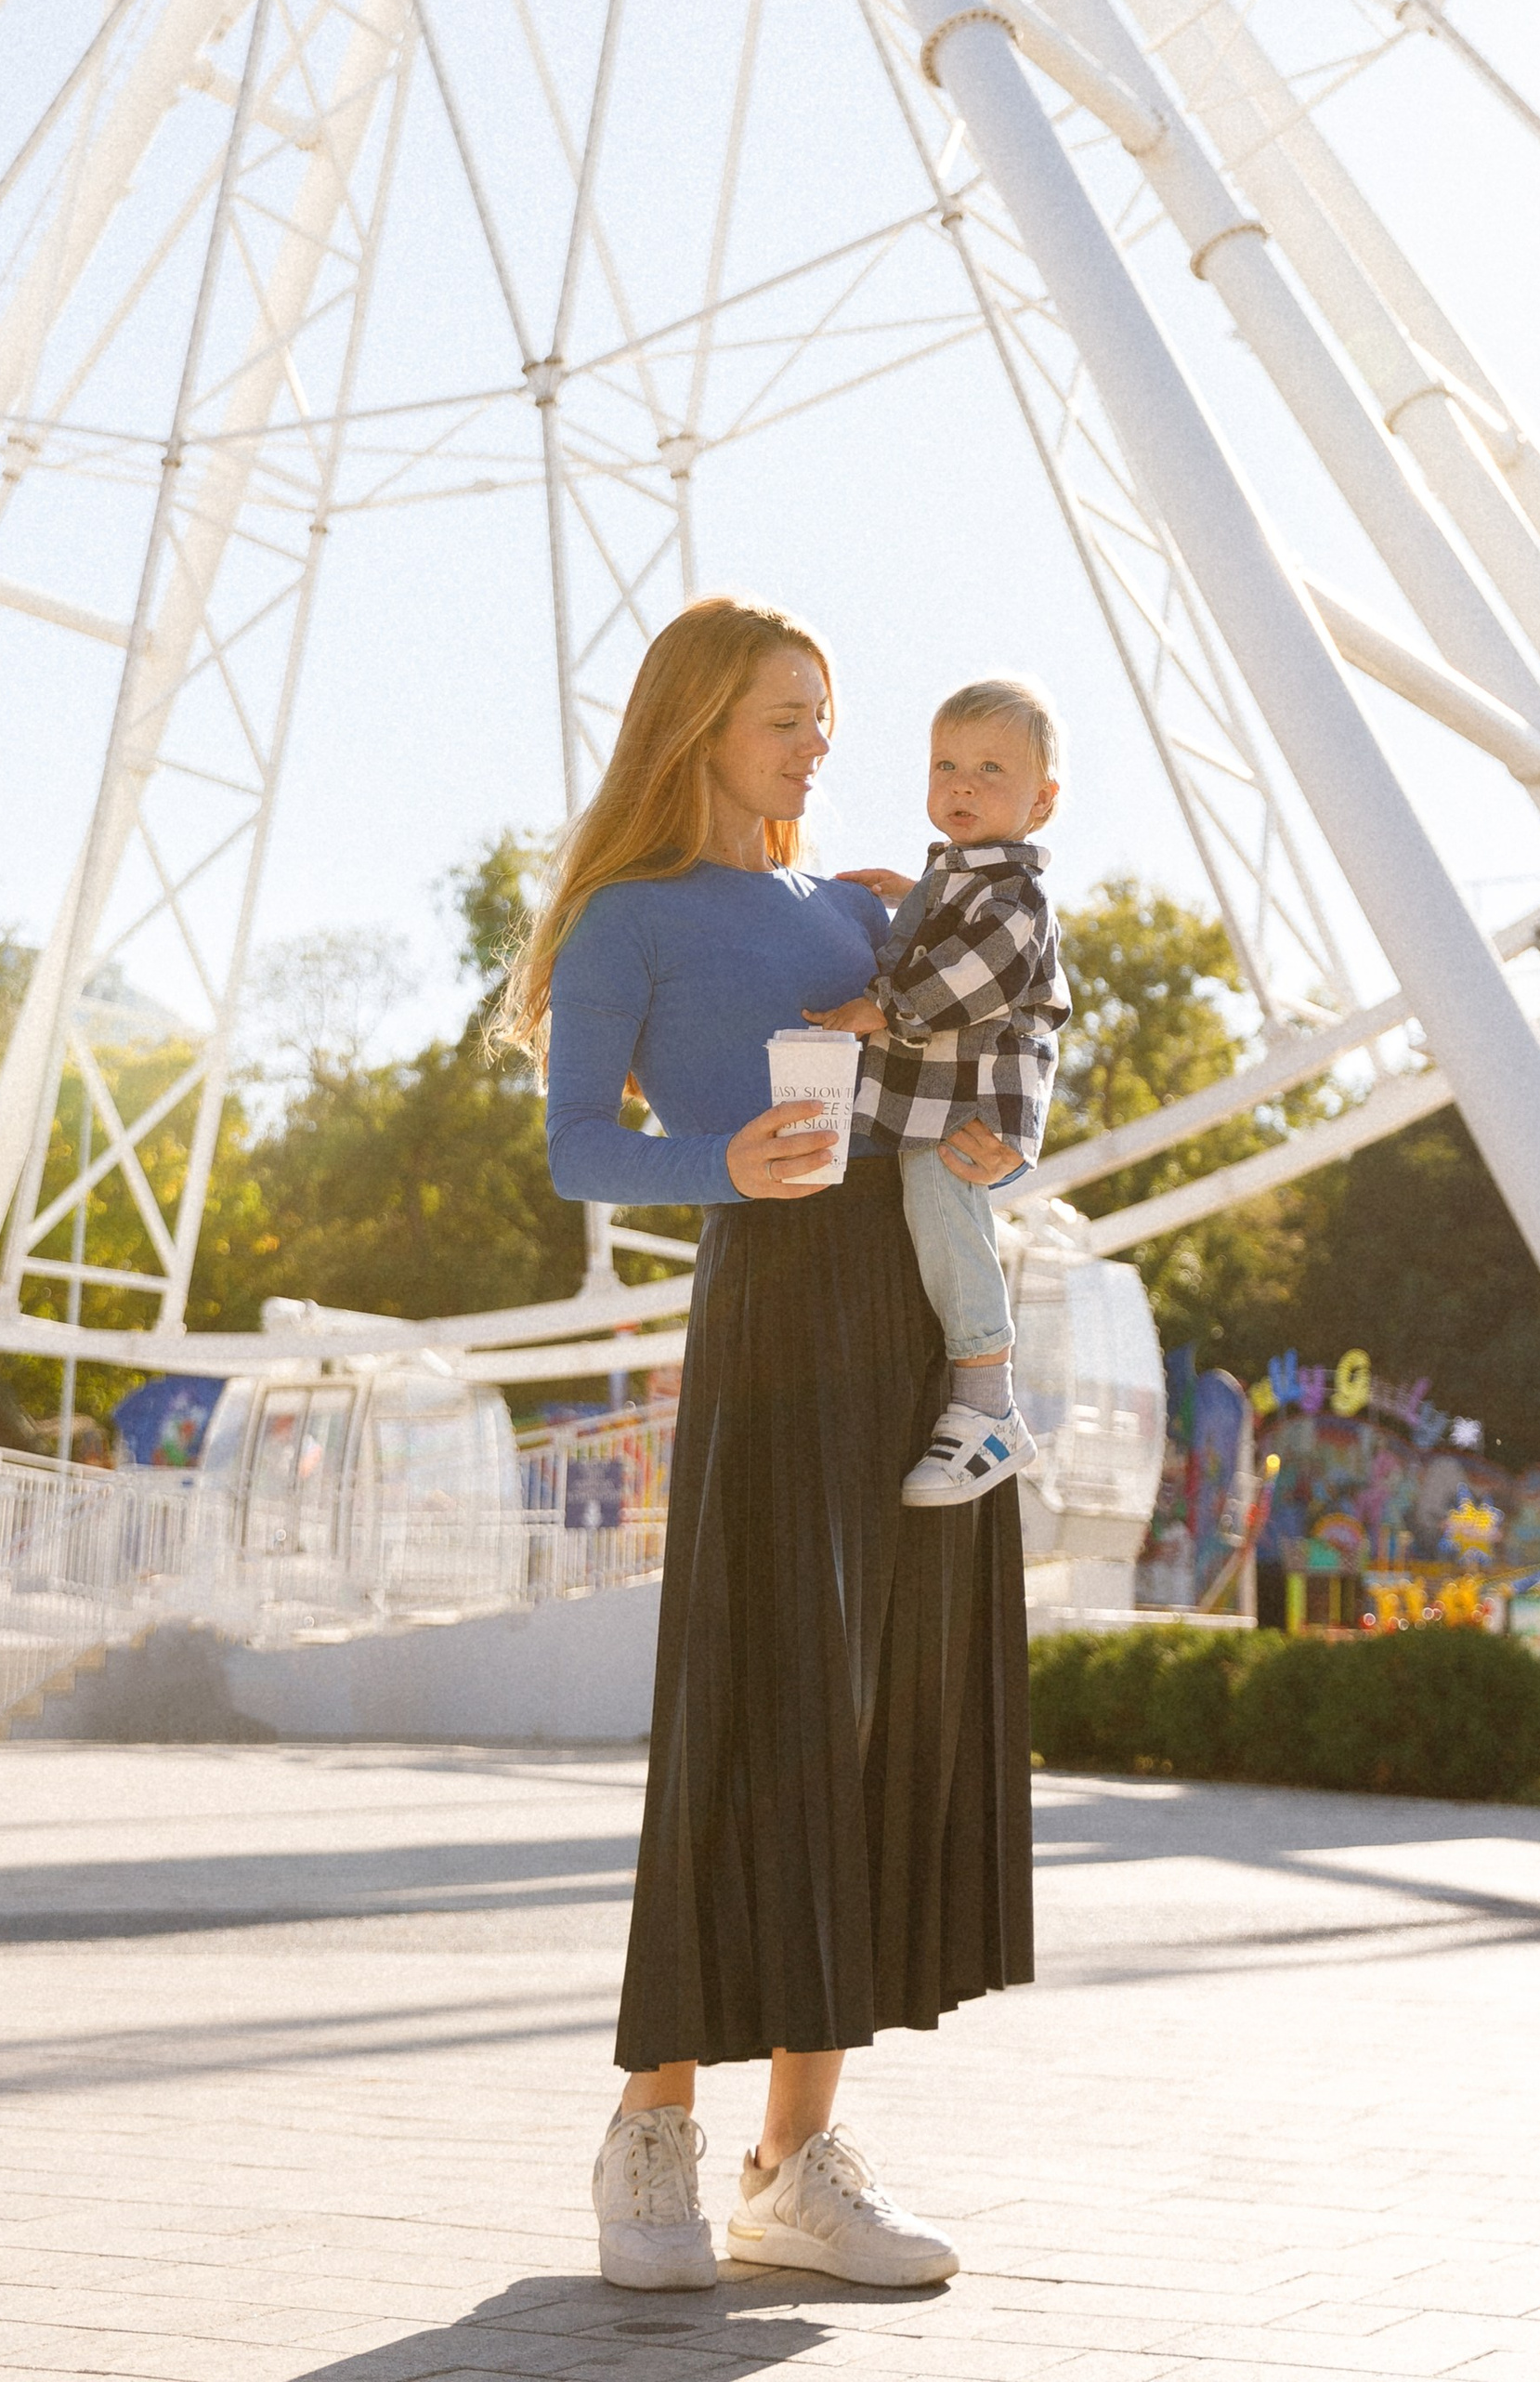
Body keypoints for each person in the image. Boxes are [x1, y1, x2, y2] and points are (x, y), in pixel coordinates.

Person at [502, 596, 1033, 2297]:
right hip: (774, 1321)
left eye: (824, 713)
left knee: (881, 1716)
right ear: (698, 731)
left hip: (919, 1324)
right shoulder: (626, 920)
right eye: (786, 718)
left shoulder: (861, 908)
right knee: (753, 1702)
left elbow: (985, 1042)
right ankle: (650, 2121)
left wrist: (997, 1133)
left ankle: (799, 2162)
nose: (820, 746)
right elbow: (587, 1148)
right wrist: (725, 1168)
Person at [805, 677, 1068, 1509]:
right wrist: (902, 896)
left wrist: (880, 1009)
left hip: (974, 1099)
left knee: (945, 1214)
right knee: (916, 1206)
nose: (961, 783)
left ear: (1043, 801)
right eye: (945, 764)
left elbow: (971, 977)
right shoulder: (957, 876)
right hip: (931, 1091)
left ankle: (990, 1406)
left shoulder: (1017, 897)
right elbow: (939, 929)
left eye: (991, 768)